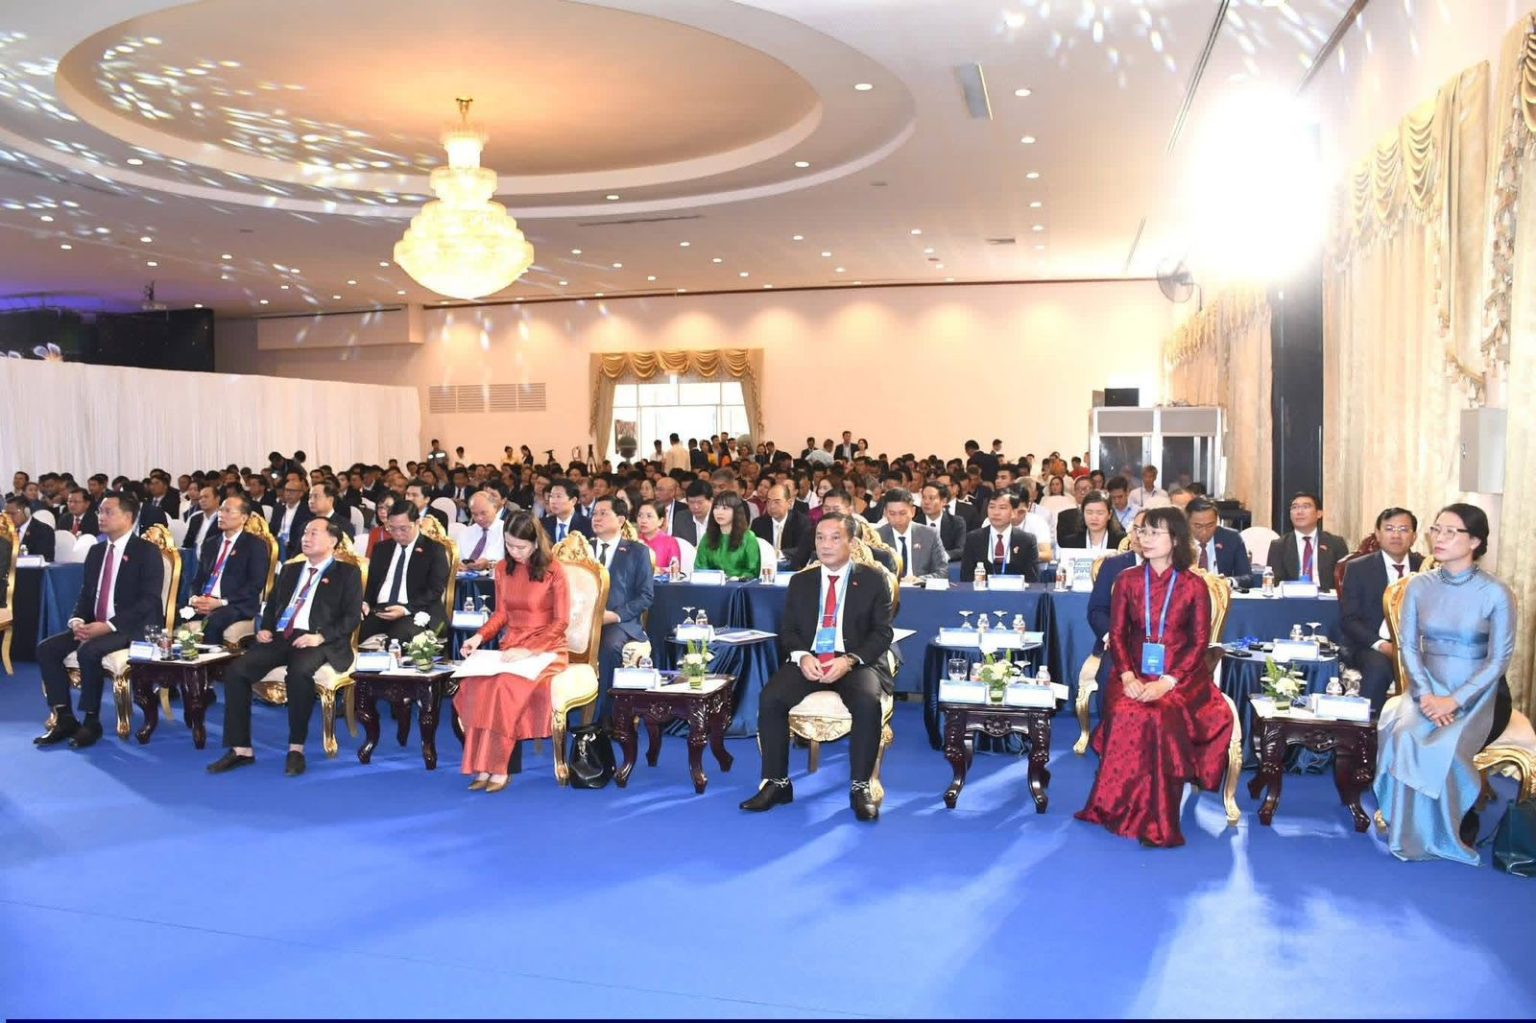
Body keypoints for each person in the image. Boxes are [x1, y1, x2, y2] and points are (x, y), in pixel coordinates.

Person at [1075, 508, 1232, 847]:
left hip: (1181, 677)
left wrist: (1168, 681)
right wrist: (1127, 676)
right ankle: (1114, 805)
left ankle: (1158, 816)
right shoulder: (1128, 580)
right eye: (1142, 532)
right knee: (1128, 710)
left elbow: (1198, 643)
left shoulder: (1193, 585)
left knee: (1159, 715)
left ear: (1175, 539)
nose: (1144, 539)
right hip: (1131, 670)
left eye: (1154, 533)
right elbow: (1118, 634)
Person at [1374, 504, 1515, 864]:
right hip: (1426, 686)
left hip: (1479, 693)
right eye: (1437, 529)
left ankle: (1451, 823)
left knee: (1446, 745)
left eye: (1451, 532)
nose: (1439, 538)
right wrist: (1425, 695)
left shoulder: (1496, 592)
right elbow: (1408, 646)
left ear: (1475, 541)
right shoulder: (1420, 586)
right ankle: (1409, 830)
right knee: (1404, 734)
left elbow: (1498, 660)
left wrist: (1453, 701)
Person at [741, 512, 894, 821]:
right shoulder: (802, 581)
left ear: (852, 543)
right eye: (820, 538)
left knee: (867, 702)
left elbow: (882, 633)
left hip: (853, 660)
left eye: (835, 538)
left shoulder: (872, 579)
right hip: (811, 658)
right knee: (771, 698)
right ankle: (777, 783)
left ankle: (860, 787)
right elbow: (788, 630)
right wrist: (802, 656)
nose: (825, 545)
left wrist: (849, 660)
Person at [207, 518, 363, 776]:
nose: (306, 538)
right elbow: (272, 606)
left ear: (332, 541)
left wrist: (320, 637)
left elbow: (351, 617)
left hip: (318, 639)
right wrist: (266, 627)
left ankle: (296, 749)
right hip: (282, 636)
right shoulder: (291, 569)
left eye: (314, 533)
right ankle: (241, 749)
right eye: (305, 532)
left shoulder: (347, 573)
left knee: (299, 671)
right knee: (236, 671)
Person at [34, 492, 166, 749]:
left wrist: (108, 626)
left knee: (90, 651)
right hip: (95, 624)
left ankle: (91, 720)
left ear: (128, 517)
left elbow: (149, 600)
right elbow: (87, 594)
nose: (101, 517)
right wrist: (77, 620)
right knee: (47, 649)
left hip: (130, 627)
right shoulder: (96, 551)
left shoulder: (146, 551)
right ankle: (64, 717)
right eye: (100, 512)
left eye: (108, 512)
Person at [456, 512, 571, 792]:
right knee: (477, 684)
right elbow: (501, 614)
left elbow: (561, 622)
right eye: (509, 545)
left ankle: (500, 767)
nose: (515, 552)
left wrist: (530, 650)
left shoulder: (554, 570)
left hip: (547, 649)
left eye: (521, 547)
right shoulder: (502, 568)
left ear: (536, 543)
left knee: (503, 687)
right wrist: (479, 637)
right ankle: (482, 765)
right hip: (512, 647)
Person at [1337, 507, 1425, 710]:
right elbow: (1349, 620)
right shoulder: (1358, 568)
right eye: (1389, 529)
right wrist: (1383, 646)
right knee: (1378, 668)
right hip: (1371, 644)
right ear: (1378, 534)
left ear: (1414, 536)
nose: (1396, 535)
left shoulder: (1425, 569)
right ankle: (1369, 723)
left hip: (1416, 645)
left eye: (1403, 529)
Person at [589, 496, 654, 709]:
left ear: (621, 520)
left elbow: (646, 596)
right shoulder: (583, 549)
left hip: (620, 622)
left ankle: (606, 715)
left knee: (609, 647)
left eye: (603, 513)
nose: (596, 518)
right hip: (583, 622)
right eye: (594, 513)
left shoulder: (637, 552)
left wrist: (615, 615)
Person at [359, 500, 449, 646]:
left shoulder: (433, 550)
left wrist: (405, 609)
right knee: (348, 630)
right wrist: (365, 602)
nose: (398, 534)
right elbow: (371, 584)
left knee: (397, 640)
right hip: (381, 610)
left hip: (416, 611)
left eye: (403, 529)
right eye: (392, 528)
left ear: (417, 522)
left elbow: (435, 590)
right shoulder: (381, 549)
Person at [184, 495, 270, 645]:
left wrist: (221, 602)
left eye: (228, 511)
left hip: (235, 604)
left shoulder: (254, 545)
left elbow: (255, 585)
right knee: (179, 616)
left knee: (213, 622)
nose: (221, 514)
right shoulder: (210, 543)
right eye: (221, 510)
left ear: (243, 518)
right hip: (206, 601)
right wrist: (195, 598)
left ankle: (211, 660)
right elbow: (197, 579)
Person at [1265, 491, 1349, 591]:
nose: (1299, 512)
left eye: (1306, 507)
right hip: (1292, 597)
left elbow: (1345, 579)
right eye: (1294, 507)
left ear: (1319, 514)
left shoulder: (1335, 543)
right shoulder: (1279, 545)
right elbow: (1274, 582)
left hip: (1326, 597)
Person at [960, 493, 1039, 581]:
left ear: (1013, 512)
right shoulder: (973, 538)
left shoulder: (1027, 541)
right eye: (992, 507)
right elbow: (966, 578)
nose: (996, 513)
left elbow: (1032, 580)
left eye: (1002, 508)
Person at [877, 488, 948, 581]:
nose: (897, 519)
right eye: (892, 513)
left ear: (913, 512)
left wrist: (920, 580)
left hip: (920, 588)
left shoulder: (930, 535)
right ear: (885, 513)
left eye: (902, 513)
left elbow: (943, 572)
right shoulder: (877, 537)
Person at [694, 492, 761, 580]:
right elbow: (700, 567)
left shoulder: (748, 537)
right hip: (712, 584)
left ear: (736, 511)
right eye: (716, 508)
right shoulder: (707, 537)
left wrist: (736, 578)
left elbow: (752, 570)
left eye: (725, 508)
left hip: (739, 585)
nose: (719, 512)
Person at [750, 484, 813, 570]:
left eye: (777, 502)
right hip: (765, 569)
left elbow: (803, 549)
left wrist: (779, 554)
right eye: (768, 501)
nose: (772, 506)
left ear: (789, 503)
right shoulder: (758, 523)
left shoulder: (801, 521)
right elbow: (753, 549)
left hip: (792, 570)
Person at [1185, 498, 1249, 579]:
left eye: (1210, 525)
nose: (1204, 531)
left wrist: (1227, 582)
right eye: (1198, 526)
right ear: (1187, 522)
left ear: (1217, 521)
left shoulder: (1231, 538)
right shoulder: (1178, 541)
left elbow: (1247, 577)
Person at [1058, 491, 1126, 552]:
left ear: (1109, 514)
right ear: (1083, 513)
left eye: (1100, 513)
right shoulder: (1070, 543)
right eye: (1089, 512)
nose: (1094, 518)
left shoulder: (1122, 541)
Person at [918, 483, 967, 562]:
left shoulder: (956, 522)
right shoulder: (915, 522)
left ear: (944, 501)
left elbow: (961, 549)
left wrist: (944, 555)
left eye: (931, 498)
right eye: (924, 497)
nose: (926, 502)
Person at [459, 491, 506, 572]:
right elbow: (456, 558)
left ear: (495, 508)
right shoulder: (465, 532)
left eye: (483, 513)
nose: (479, 518)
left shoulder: (506, 531)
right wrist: (458, 565)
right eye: (474, 514)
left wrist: (489, 564)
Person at [270, 478, 313, 559]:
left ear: (301, 493)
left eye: (292, 491)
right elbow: (272, 528)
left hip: (294, 547)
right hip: (277, 545)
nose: (288, 494)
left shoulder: (307, 510)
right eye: (286, 490)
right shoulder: (278, 508)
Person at [539, 477, 592, 543]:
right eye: (551, 496)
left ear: (573, 501)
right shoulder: (542, 525)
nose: (553, 501)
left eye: (558, 496)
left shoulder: (588, 525)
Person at [636, 501, 682, 575]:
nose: (643, 520)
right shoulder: (634, 540)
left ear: (660, 521)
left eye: (649, 516)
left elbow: (674, 570)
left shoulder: (670, 542)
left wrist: (658, 570)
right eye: (640, 515)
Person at [4, 494, 54, 563]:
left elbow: (40, 559)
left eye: (12, 514)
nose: (8, 518)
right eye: (7, 514)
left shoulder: (43, 531)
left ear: (26, 512)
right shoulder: (5, 530)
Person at [181, 485, 222, 559]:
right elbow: (187, 544)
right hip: (193, 559)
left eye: (206, 497)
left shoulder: (223, 519)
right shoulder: (195, 519)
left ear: (217, 499)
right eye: (200, 498)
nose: (202, 500)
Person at [670, 480, 713, 547]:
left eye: (700, 502)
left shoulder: (719, 518)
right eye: (691, 502)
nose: (696, 507)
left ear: (711, 500)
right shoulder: (681, 517)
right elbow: (677, 545)